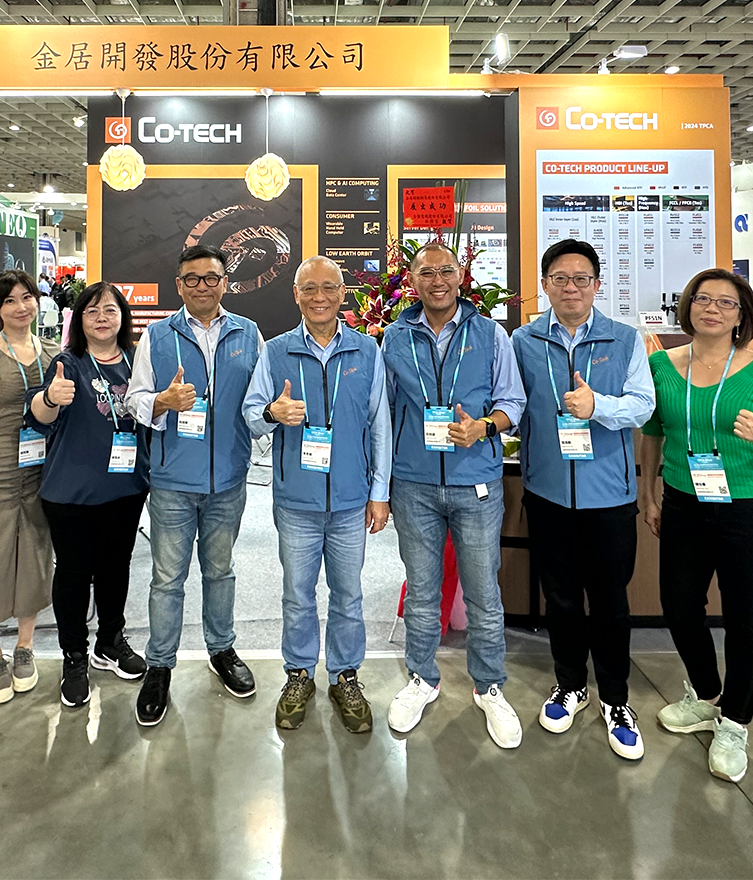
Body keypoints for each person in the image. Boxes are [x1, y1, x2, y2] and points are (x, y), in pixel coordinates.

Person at [512, 239, 655, 761]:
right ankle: (570, 685)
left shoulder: (625, 338)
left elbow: (642, 405)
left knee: (611, 603)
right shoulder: (523, 340)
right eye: (560, 278)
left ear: (597, 284)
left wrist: (598, 406)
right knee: (562, 599)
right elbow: (512, 402)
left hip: (608, 497)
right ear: (545, 284)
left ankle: (616, 699)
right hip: (547, 493)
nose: (570, 287)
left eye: (581, 278)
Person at [381, 242, 526, 748]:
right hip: (414, 484)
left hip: (476, 483)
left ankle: (489, 687)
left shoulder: (490, 333)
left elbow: (513, 402)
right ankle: (422, 679)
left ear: (461, 276)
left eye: (446, 271)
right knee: (422, 593)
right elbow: (384, 413)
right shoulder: (394, 337)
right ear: (412, 280)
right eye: (427, 272)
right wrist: (382, 484)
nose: (437, 280)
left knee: (484, 594)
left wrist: (484, 427)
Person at [243, 256, 391, 733]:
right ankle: (299, 674)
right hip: (296, 502)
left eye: (329, 287)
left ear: (343, 293)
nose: (320, 297)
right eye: (309, 288)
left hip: (350, 501)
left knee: (348, 595)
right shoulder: (276, 351)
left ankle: (345, 675)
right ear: (296, 295)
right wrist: (273, 412)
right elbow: (250, 416)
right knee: (297, 595)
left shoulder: (367, 350)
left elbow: (380, 425)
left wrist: (380, 491)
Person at [125, 243, 262, 727]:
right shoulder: (158, 335)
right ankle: (160, 665)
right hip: (172, 483)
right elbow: (135, 400)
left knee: (220, 571)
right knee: (167, 578)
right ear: (179, 286)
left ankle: (221, 650)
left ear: (225, 283)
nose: (202, 286)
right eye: (192, 279)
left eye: (211, 278)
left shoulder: (248, 333)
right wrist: (162, 401)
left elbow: (258, 401)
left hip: (228, 480)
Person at [641, 268, 753, 783]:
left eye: (726, 303)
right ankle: (708, 695)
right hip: (684, 501)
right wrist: (650, 493)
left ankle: (736, 719)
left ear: (741, 315)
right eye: (703, 299)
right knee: (680, 606)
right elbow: (653, 432)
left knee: (745, 618)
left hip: (745, 505)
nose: (712, 308)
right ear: (687, 306)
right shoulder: (661, 364)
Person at [27, 282, 149, 707]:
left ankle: (109, 642)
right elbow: (40, 417)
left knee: (116, 568)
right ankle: (75, 655)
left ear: (122, 317)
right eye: (92, 310)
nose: (101, 318)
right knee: (75, 574)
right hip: (72, 493)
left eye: (110, 310)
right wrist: (49, 397)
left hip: (126, 488)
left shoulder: (137, 361)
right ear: (79, 319)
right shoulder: (68, 363)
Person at [0, 272, 58, 705]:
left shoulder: (52, 353)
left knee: (35, 553)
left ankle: (25, 645)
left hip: (40, 470)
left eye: (27, 297)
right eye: (10, 300)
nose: (20, 307)